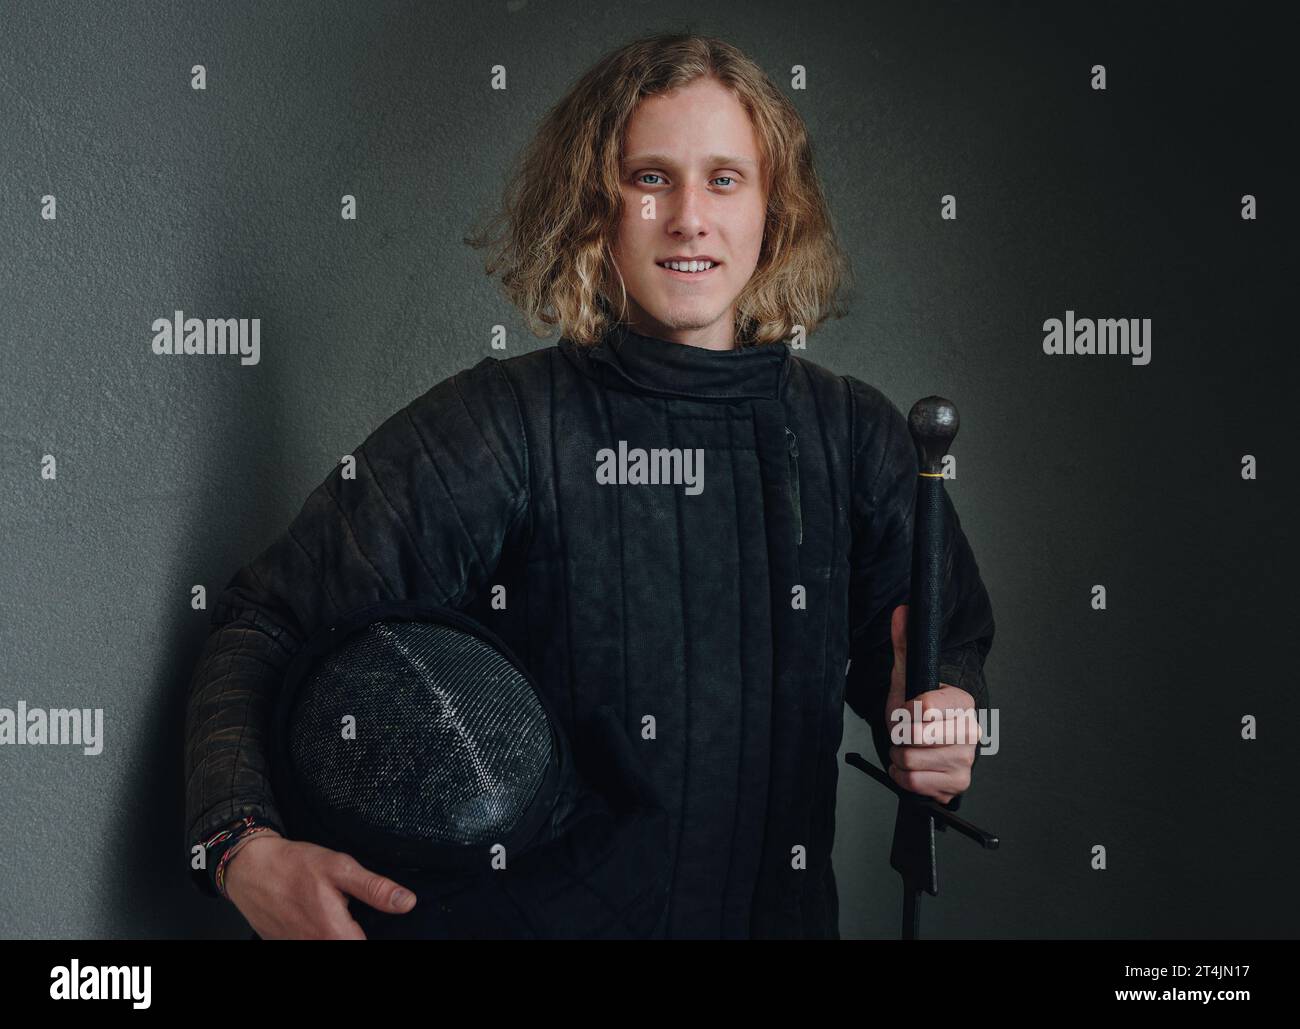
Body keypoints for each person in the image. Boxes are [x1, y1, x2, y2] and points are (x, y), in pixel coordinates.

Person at [183, 31, 995, 940]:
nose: (690, 215)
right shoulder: (504, 426)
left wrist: (943, 716)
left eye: (725, 178)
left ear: (775, 208)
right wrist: (238, 843)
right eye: (652, 178)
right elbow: (267, 620)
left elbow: (940, 645)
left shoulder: (856, 435)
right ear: (594, 207)